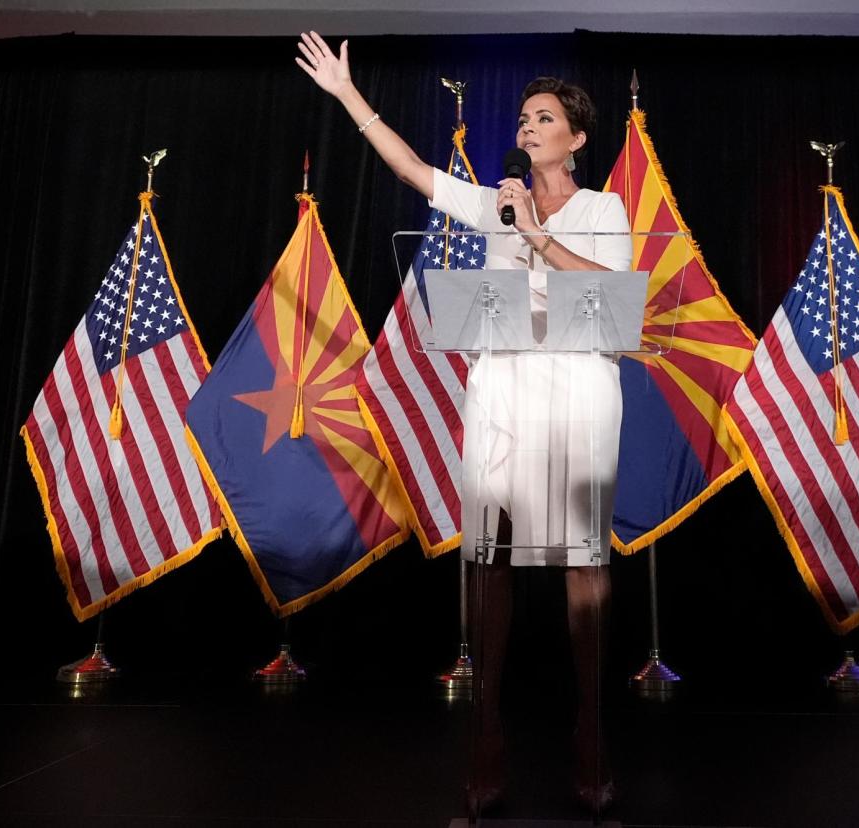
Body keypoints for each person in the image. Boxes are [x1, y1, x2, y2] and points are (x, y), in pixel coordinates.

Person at [296, 32, 631, 815]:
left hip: (579, 385)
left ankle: (591, 728)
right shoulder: (496, 199)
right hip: (504, 382)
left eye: (542, 116)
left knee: (584, 558)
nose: (525, 124)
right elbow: (414, 171)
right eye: (522, 116)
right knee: (490, 554)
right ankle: (486, 732)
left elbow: (614, 290)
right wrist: (349, 96)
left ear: (576, 138)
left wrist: (540, 240)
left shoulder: (603, 206)